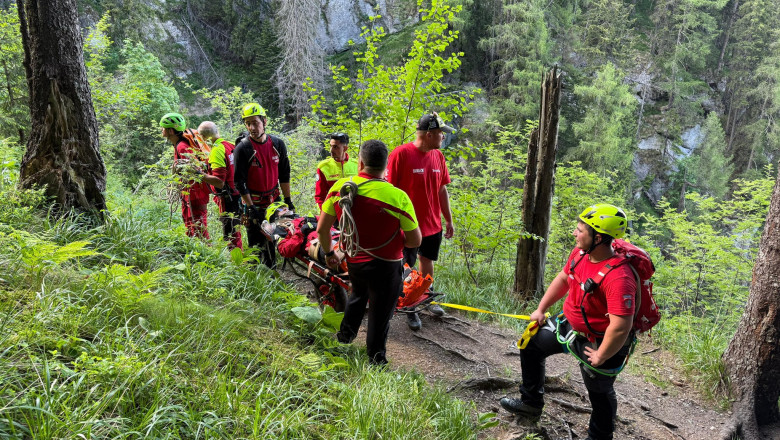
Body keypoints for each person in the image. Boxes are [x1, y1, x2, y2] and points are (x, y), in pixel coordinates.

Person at [500, 204, 636, 440]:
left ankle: (599, 437)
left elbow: (621, 326)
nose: (575, 233)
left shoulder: (619, 278)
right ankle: (530, 404)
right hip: (570, 328)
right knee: (530, 344)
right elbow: (564, 279)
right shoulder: (580, 254)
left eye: (580, 230)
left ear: (599, 237)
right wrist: (541, 309)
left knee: (600, 392)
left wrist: (602, 355)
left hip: (601, 341)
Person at [317, 139, 422, 365]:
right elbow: (415, 239)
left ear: (361, 161)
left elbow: (322, 229)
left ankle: (344, 339)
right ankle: (376, 359)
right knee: (380, 312)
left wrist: (329, 253)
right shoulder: (397, 196)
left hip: (355, 261)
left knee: (357, 295)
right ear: (386, 166)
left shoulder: (340, 189)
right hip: (386, 266)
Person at [387, 112, 455, 330]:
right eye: (440, 134)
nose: (443, 138)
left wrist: (448, 220)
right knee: (407, 267)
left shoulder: (438, 157)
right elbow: (389, 190)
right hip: (408, 225)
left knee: (428, 262)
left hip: (433, 223)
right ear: (428, 135)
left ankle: (427, 299)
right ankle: (410, 308)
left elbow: (442, 189)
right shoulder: (401, 154)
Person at [233, 103, 293, 268]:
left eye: (255, 122)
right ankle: (256, 276)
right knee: (255, 240)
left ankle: (272, 268)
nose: (252, 127)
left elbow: (284, 173)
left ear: (264, 121)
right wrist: (251, 207)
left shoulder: (277, 144)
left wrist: (288, 199)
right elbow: (239, 181)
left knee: (275, 234)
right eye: (248, 123)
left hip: (274, 199)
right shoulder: (243, 148)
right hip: (253, 200)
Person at [160, 112, 210, 239]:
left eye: (163, 128)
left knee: (198, 225)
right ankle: (193, 250)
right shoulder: (178, 145)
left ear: (171, 131)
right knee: (190, 223)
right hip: (190, 191)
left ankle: (206, 252)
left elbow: (195, 169)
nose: (161, 130)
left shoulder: (182, 147)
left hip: (195, 192)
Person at [197, 121, 243, 250]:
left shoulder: (216, 151)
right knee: (235, 228)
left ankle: (237, 262)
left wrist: (199, 174)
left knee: (230, 233)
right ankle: (240, 257)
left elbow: (219, 181)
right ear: (217, 131)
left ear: (203, 138)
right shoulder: (230, 145)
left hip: (227, 197)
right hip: (237, 193)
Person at [314, 132, 358, 210]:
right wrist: (324, 214)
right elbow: (319, 196)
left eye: (335, 147)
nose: (331, 150)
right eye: (330, 146)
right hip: (331, 213)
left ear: (345, 148)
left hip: (353, 211)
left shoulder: (357, 165)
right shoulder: (323, 167)